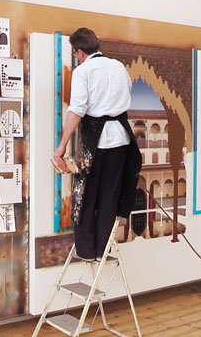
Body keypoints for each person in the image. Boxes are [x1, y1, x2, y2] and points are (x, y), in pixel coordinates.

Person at [53, 27, 140, 262]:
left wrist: (62, 146)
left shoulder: (84, 71)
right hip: (121, 138)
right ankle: (102, 250)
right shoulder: (119, 67)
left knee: (86, 195)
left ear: (79, 52)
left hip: (96, 140)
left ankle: (86, 251)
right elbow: (125, 97)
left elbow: (77, 111)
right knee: (110, 195)